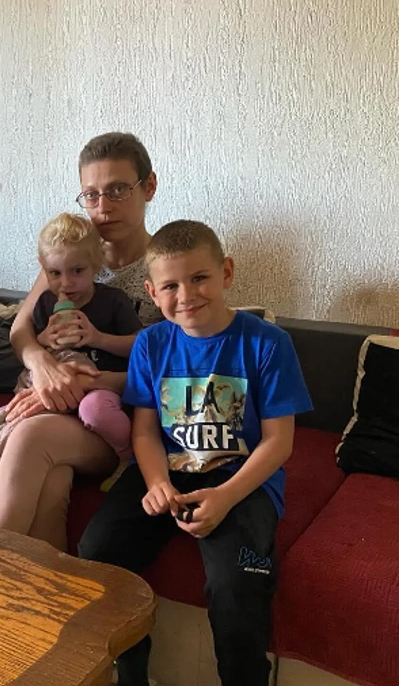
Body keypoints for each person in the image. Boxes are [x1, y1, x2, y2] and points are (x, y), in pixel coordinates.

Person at [78, 220, 312, 686]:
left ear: (226, 273)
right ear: (152, 291)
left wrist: (225, 496)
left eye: (199, 278)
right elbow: (145, 432)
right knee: (97, 552)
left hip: (240, 479)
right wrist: (156, 483)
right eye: (170, 286)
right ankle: (131, 675)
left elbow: (278, 442)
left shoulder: (268, 343)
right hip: (167, 470)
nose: (186, 295)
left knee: (237, 584)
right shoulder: (151, 344)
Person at [0, 132, 163, 549]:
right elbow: (20, 331)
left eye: (118, 190)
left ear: (149, 187)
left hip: (116, 418)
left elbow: (170, 371)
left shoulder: (166, 267)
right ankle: (48, 587)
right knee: (52, 482)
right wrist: (43, 366)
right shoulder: (68, 258)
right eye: (91, 195)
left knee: (29, 436)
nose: (103, 207)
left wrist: (80, 384)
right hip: (60, 407)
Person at [0, 213, 141, 505]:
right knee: (11, 422)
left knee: (95, 410)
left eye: (77, 271)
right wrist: (44, 340)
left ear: (96, 265)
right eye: (55, 273)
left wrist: (97, 338)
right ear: (44, 269)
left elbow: (139, 347)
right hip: (54, 390)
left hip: (97, 389)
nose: (66, 283)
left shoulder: (113, 300)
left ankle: (127, 459)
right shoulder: (46, 302)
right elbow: (30, 340)